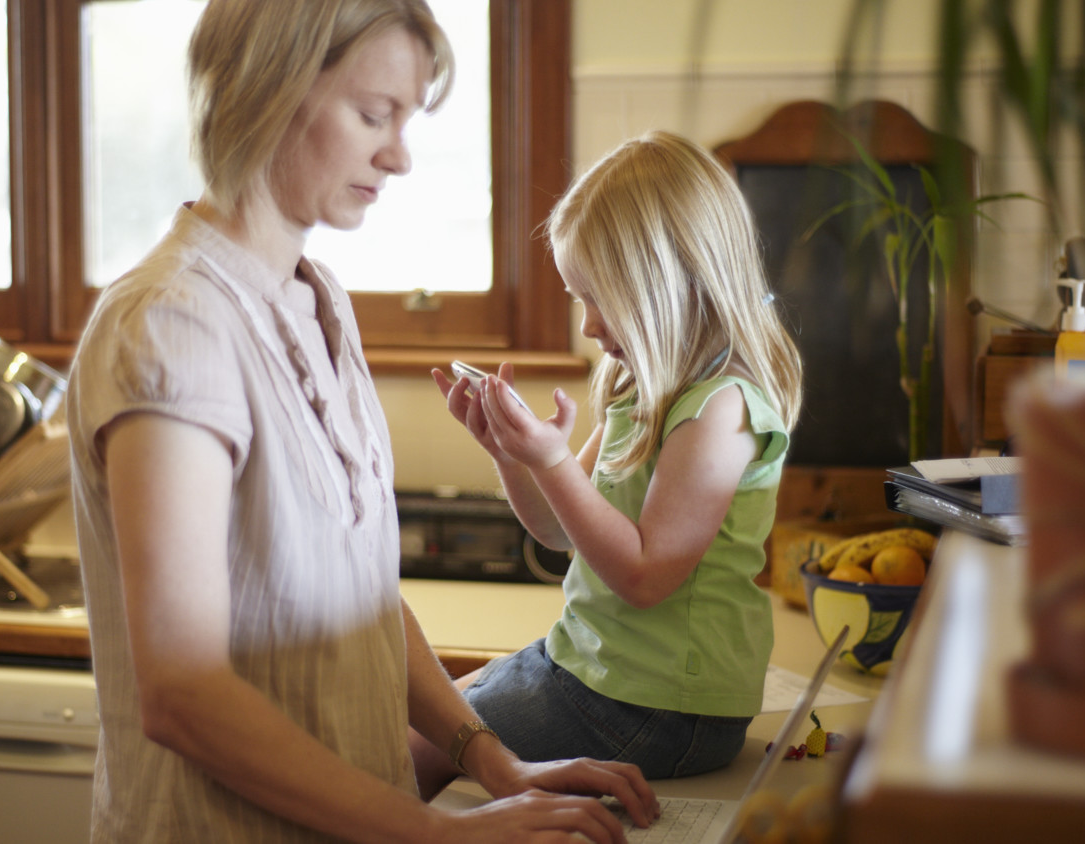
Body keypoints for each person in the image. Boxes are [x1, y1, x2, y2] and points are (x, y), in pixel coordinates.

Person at [65, 1, 661, 841]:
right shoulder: (173, 325)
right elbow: (183, 696)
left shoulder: (323, 301)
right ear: (263, 91)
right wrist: (442, 833)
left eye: (406, 119)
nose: (400, 154)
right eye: (374, 113)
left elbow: (366, 603)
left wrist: (492, 760)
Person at [419, 130, 803, 792]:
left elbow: (646, 576)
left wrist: (553, 458)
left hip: (656, 709)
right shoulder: (644, 390)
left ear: (674, 286)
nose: (589, 326)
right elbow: (558, 531)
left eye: (600, 298)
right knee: (424, 714)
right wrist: (514, 454)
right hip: (596, 673)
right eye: (578, 299)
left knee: (409, 750)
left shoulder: (721, 410)